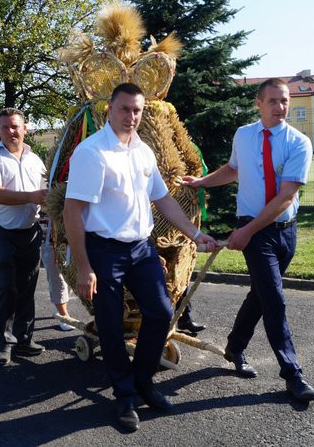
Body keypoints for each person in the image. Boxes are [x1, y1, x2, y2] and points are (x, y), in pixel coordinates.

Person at [63, 83, 219, 432]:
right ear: (110, 110)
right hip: (103, 250)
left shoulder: (143, 151)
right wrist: (85, 267)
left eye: (137, 110)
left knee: (162, 312)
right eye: (124, 109)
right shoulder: (92, 153)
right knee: (110, 323)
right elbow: (73, 212)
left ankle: (144, 382)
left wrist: (195, 234)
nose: (131, 117)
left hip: (140, 247)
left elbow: (163, 200)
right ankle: (124, 396)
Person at [182, 78, 314, 402]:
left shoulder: (299, 142)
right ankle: (292, 375)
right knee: (274, 299)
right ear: (259, 103)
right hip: (255, 232)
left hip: (284, 232)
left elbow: (286, 197)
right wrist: (201, 182)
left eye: (284, 101)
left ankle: (234, 347)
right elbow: (232, 169)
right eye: (273, 101)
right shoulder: (244, 136)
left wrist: (247, 231)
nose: (280, 107)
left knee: (260, 295)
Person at [0, 108, 48, 367]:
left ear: (25, 128)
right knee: (6, 286)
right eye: (5, 127)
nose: (11, 131)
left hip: (29, 231)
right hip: (0, 230)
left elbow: (44, 194)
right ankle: (5, 341)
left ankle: (25, 338)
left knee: (28, 285)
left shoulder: (35, 159)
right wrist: (31, 197)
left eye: (15, 126)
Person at [40, 216, 74, 331]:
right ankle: (63, 316)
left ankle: (58, 308)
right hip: (50, 240)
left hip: (70, 238)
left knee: (70, 278)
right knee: (58, 279)